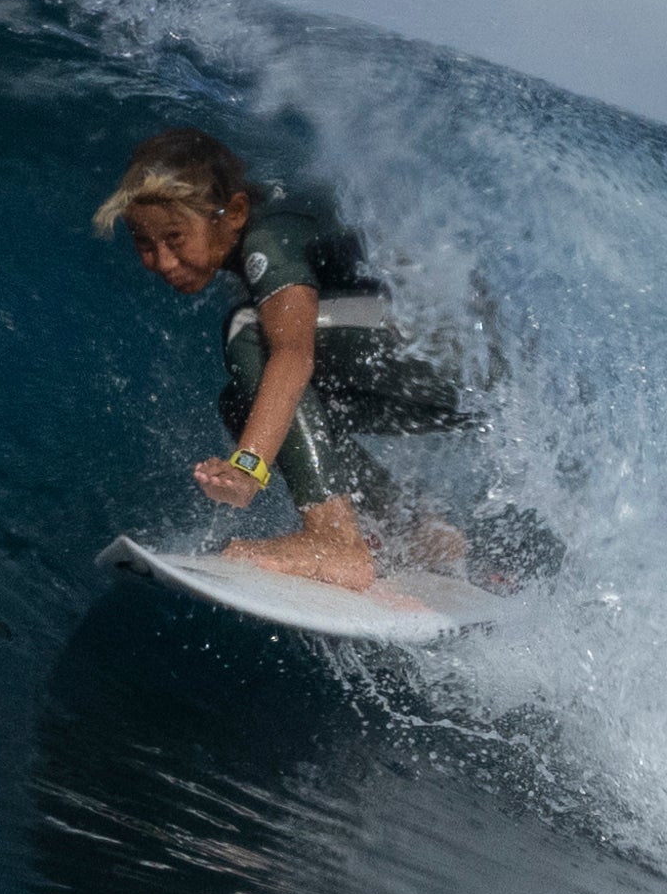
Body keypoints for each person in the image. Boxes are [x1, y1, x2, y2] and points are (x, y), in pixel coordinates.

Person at [93, 127, 456, 592]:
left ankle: (335, 539)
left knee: (251, 333)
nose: (162, 261)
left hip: (447, 357)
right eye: (145, 243)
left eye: (175, 238)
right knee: (247, 403)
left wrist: (248, 469)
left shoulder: (268, 239)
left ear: (235, 213)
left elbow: (292, 354)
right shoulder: (253, 232)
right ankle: (419, 532)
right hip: (437, 374)